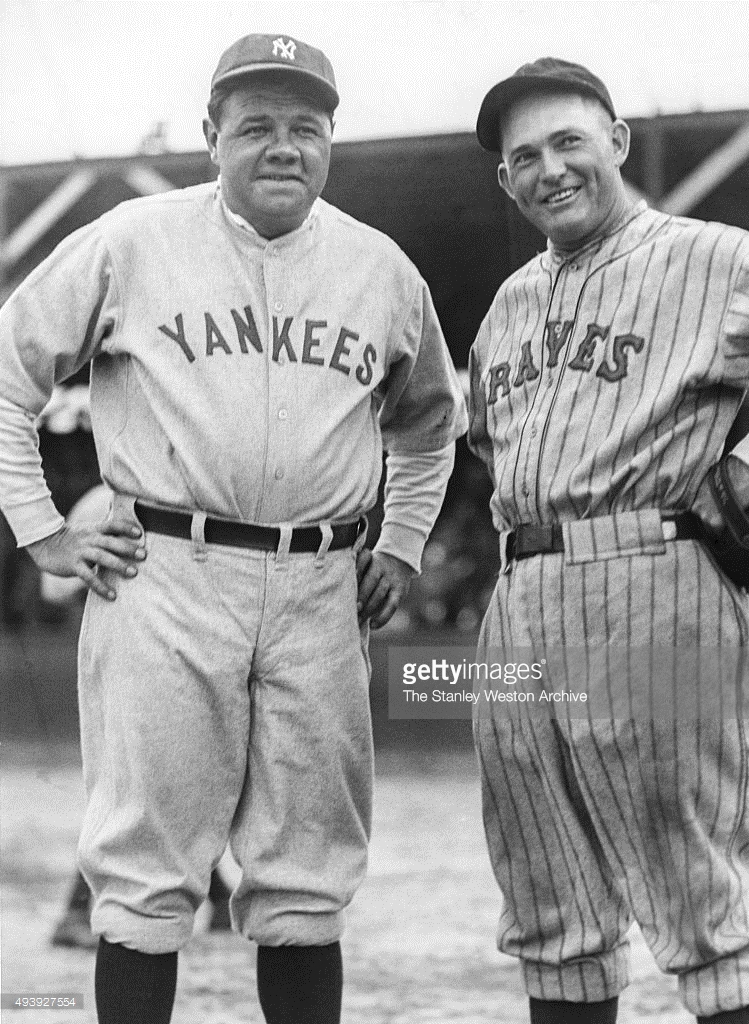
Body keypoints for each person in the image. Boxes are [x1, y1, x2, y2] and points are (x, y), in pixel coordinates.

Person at [0, 33, 466, 1024]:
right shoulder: (133, 239)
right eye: (255, 125)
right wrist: (40, 529)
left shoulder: (378, 268)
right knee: (143, 873)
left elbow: (429, 426)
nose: (283, 145)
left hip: (319, 583)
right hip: (165, 569)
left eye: (306, 125)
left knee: (303, 879)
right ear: (210, 136)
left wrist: (402, 540)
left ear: (331, 140)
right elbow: (10, 370)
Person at [467, 58, 749, 1024]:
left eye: (569, 140)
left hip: (652, 582)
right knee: (549, 906)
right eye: (524, 156)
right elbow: (490, 445)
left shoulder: (712, 257)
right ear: (505, 181)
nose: (549, 169)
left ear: (616, 140)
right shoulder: (509, 304)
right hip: (518, 595)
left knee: (700, 903)